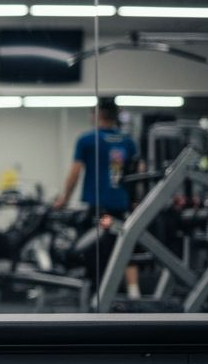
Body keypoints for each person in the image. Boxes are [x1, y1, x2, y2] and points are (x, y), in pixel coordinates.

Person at [53, 98, 142, 298]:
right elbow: (139, 172)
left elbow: (75, 173)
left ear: (96, 115)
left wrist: (63, 200)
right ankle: (133, 295)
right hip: (122, 208)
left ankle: (98, 297)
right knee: (125, 250)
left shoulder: (87, 139)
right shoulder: (127, 141)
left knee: (95, 256)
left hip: (97, 209)